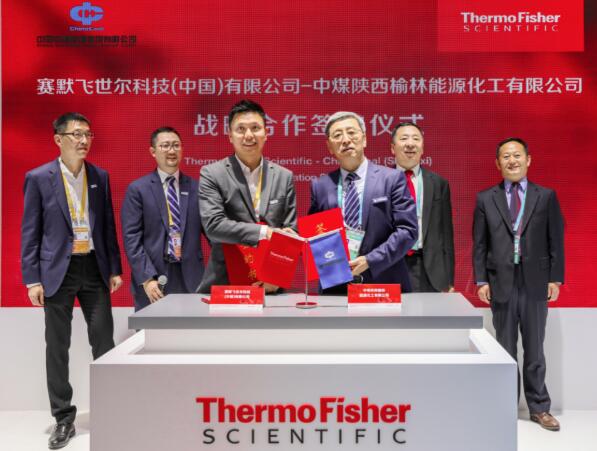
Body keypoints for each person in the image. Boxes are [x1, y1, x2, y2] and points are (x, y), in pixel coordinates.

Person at [21, 112, 123, 449]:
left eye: (88, 134)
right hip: (56, 271)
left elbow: (107, 226)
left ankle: (110, 410)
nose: (83, 141)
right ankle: (63, 417)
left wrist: (114, 268)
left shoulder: (100, 176)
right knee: (57, 346)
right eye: (76, 134)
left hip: (93, 267)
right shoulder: (39, 178)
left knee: (104, 341)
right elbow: (30, 232)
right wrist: (32, 279)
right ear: (58, 139)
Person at [473, 137, 564, 431]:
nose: (512, 161)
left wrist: (555, 277)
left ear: (528, 160)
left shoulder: (545, 196)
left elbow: (556, 239)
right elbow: (480, 243)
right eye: (506, 157)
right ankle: (504, 407)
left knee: (535, 348)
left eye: (517, 155)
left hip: (536, 281)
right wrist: (481, 280)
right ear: (497, 163)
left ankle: (539, 407)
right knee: (505, 348)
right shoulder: (486, 198)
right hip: (501, 282)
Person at [308, 111, 417, 292]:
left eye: (351, 132)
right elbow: (316, 236)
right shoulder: (321, 186)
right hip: (336, 286)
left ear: (364, 139)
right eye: (337, 135)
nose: (345, 140)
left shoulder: (392, 179)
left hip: (384, 284)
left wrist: (370, 260)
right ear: (329, 147)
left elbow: (408, 231)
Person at [198, 99, 297, 293]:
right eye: (241, 129)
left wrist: (276, 278)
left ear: (266, 133)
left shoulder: (284, 176)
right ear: (230, 136)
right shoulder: (212, 173)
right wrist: (265, 232)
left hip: (270, 286)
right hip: (226, 284)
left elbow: (290, 233)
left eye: (255, 128)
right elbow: (214, 226)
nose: (249, 135)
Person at [121, 127, 204, 311]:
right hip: (154, 278)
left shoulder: (197, 188)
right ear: (153, 151)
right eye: (165, 146)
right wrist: (147, 278)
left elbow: (212, 233)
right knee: (152, 329)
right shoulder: (138, 189)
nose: (171, 150)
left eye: (176, 145)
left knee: (190, 328)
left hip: (191, 277)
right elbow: (131, 238)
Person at [391, 122, 455, 292]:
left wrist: (449, 279)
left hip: (429, 269)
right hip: (391, 265)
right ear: (393, 148)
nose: (410, 143)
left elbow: (446, 234)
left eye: (416, 139)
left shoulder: (438, 183)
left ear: (422, 148)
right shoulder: (381, 181)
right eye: (404, 138)